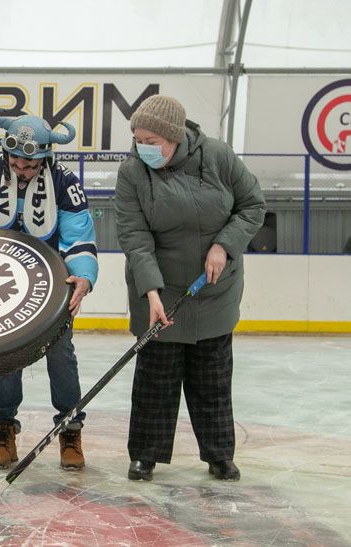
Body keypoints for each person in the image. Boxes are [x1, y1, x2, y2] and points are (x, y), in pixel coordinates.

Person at [0, 109, 99, 470]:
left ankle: (70, 431)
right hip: (1, 282)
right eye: (15, 161)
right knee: (5, 358)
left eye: (29, 164)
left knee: (61, 357)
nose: (20, 169)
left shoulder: (65, 182)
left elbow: (79, 238)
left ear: (45, 157)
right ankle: (3, 431)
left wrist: (83, 276)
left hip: (52, 287)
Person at [114, 94, 266, 482]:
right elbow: (135, 237)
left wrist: (224, 245)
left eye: (152, 141)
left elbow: (252, 205)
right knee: (156, 378)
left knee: (211, 378)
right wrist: (151, 292)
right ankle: (145, 455)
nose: (143, 148)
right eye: (138, 140)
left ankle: (218, 455)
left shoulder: (218, 157)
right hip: (159, 290)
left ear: (174, 136)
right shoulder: (132, 172)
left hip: (214, 288)